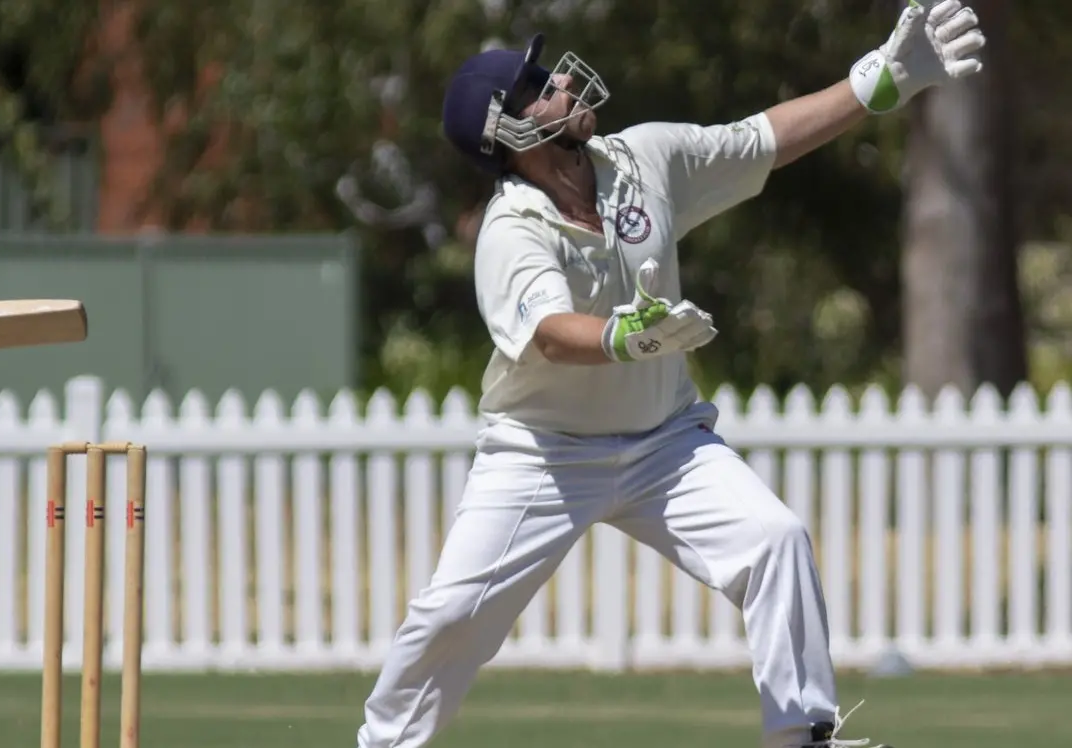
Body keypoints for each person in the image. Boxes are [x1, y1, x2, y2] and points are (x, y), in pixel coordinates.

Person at [357, 3, 985, 748]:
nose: (560, 80)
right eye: (536, 84)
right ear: (511, 130)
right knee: (452, 613)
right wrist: (624, 335)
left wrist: (876, 83)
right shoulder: (511, 231)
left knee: (775, 539)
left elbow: (761, 140)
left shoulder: (640, 160)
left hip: (665, 443)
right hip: (546, 454)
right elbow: (552, 335)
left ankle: (800, 737)